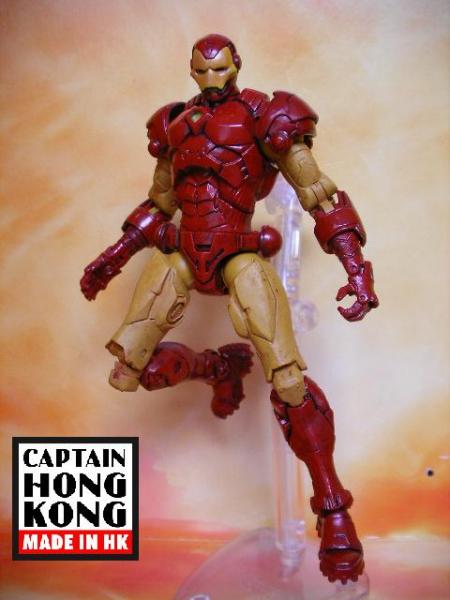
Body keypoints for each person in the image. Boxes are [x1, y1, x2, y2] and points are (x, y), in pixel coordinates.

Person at [80, 34, 378, 583]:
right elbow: (159, 203)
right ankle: (218, 368)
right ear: (192, 71)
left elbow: (319, 193)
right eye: (203, 70)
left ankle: (333, 508)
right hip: (180, 255)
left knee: (287, 377)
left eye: (220, 68)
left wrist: (356, 268)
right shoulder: (173, 123)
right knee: (129, 371)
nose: (212, 79)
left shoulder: (268, 116)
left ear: (236, 65)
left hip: (240, 256)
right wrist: (112, 258)